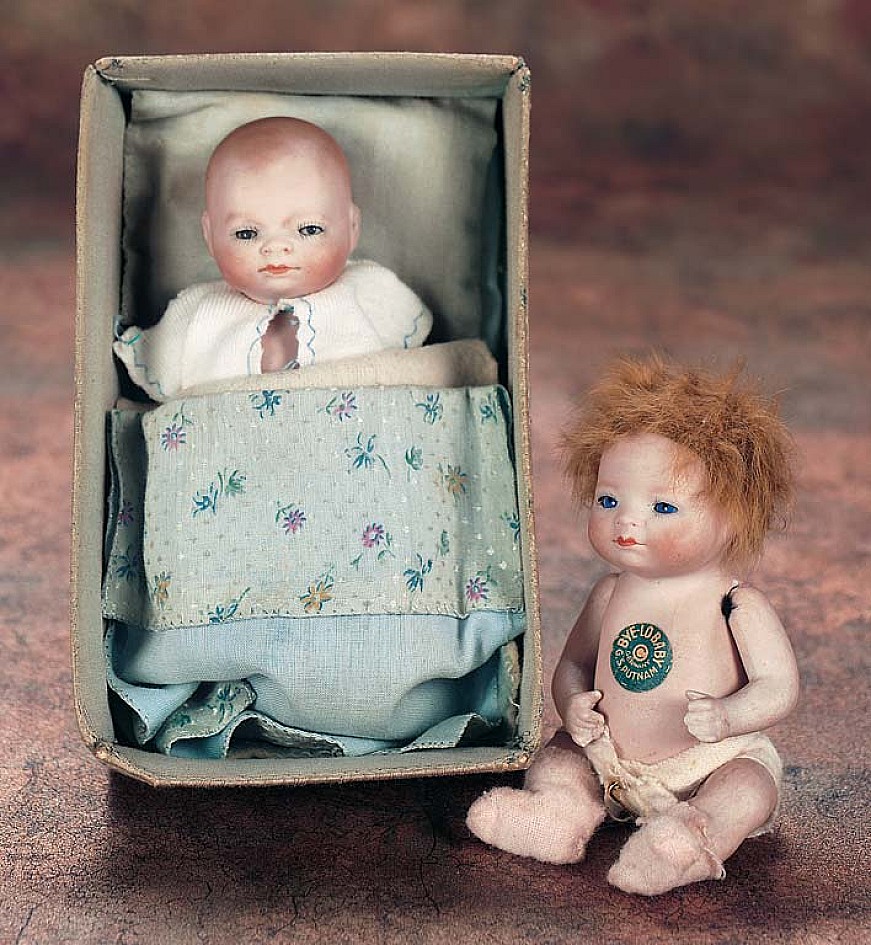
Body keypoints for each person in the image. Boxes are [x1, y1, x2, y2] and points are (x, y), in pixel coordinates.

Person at [467, 354, 799, 895]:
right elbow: (573, 665)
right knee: (561, 756)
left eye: (662, 507)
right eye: (608, 499)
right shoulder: (609, 592)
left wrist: (730, 715)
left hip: (708, 760)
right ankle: (557, 812)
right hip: (609, 758)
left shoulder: (736, 603)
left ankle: (690, 840)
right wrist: (572, 705)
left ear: (734, 514)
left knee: (749, 786)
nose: (626, 520)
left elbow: (778, 686)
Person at [114, 116, 432, 402]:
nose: (276, 248)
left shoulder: (368, 289)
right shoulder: (199, 311)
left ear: (352, 228)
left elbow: (415, 367)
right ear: (209, 236)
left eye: (309, 229)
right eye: (247, 233)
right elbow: (160, 367)